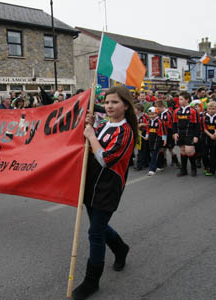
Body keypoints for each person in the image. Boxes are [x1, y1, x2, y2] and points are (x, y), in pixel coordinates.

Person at [72, 86, 136, 300]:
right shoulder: (105, 125)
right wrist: (91, 128)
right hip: (91, 184)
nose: (109, 106)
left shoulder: (126, 131)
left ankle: (92, 281)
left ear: (125, 106)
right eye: (107, 102)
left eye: (115, 102)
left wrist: (91, 135)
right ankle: (120, 248)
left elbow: (106, 159)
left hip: (108, 189)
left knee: (95, 233)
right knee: (98, 227)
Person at [172, 92, 200, 176]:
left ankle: (193, 168)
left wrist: (196, 136)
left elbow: (197, 124)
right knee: (183, 151)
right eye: (179, 99)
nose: (179, 101)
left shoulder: (193, 111)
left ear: (187, 100)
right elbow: (174, 123)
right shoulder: (176, 111)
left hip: (190, 133)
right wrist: (175, 133)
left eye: (181, 99)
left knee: (189, 151)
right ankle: (183, 170)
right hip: (180, 133)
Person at [155, 100, 179, 168]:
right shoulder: (159, 114)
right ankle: (164, 162)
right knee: (163, 148)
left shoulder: (169, 113)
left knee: (171, 149)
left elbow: (171, 125)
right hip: (162, 134)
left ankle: (176, 162)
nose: (157, 110)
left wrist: (173, 133)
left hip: (168, 133)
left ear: (162, 107)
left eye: (158, 108)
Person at [145, 107, 167, 176]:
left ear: (156, 113)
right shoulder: (148, 121)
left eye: (152, 114)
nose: (151, 116)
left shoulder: (160, 121)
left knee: (154, 153)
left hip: (158, 139)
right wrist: (146, 136)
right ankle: (160, 166)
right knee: (158, 152)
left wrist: (164, 139)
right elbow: (148, 130)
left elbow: (164, 131)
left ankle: (152, 169)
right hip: (151, 139)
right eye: (149, 114)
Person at [201, 101, 216, 176]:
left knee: (213, 154)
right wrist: (210, 135)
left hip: (215, 138)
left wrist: (215, 134)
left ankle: (212, 169)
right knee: (204, 154)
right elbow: (204, 128)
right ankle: (206, 167)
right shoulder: (203, 117)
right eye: (210, 108)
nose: (211, 110)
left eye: (213, 109)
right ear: (207, 109)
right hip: (205, 137)